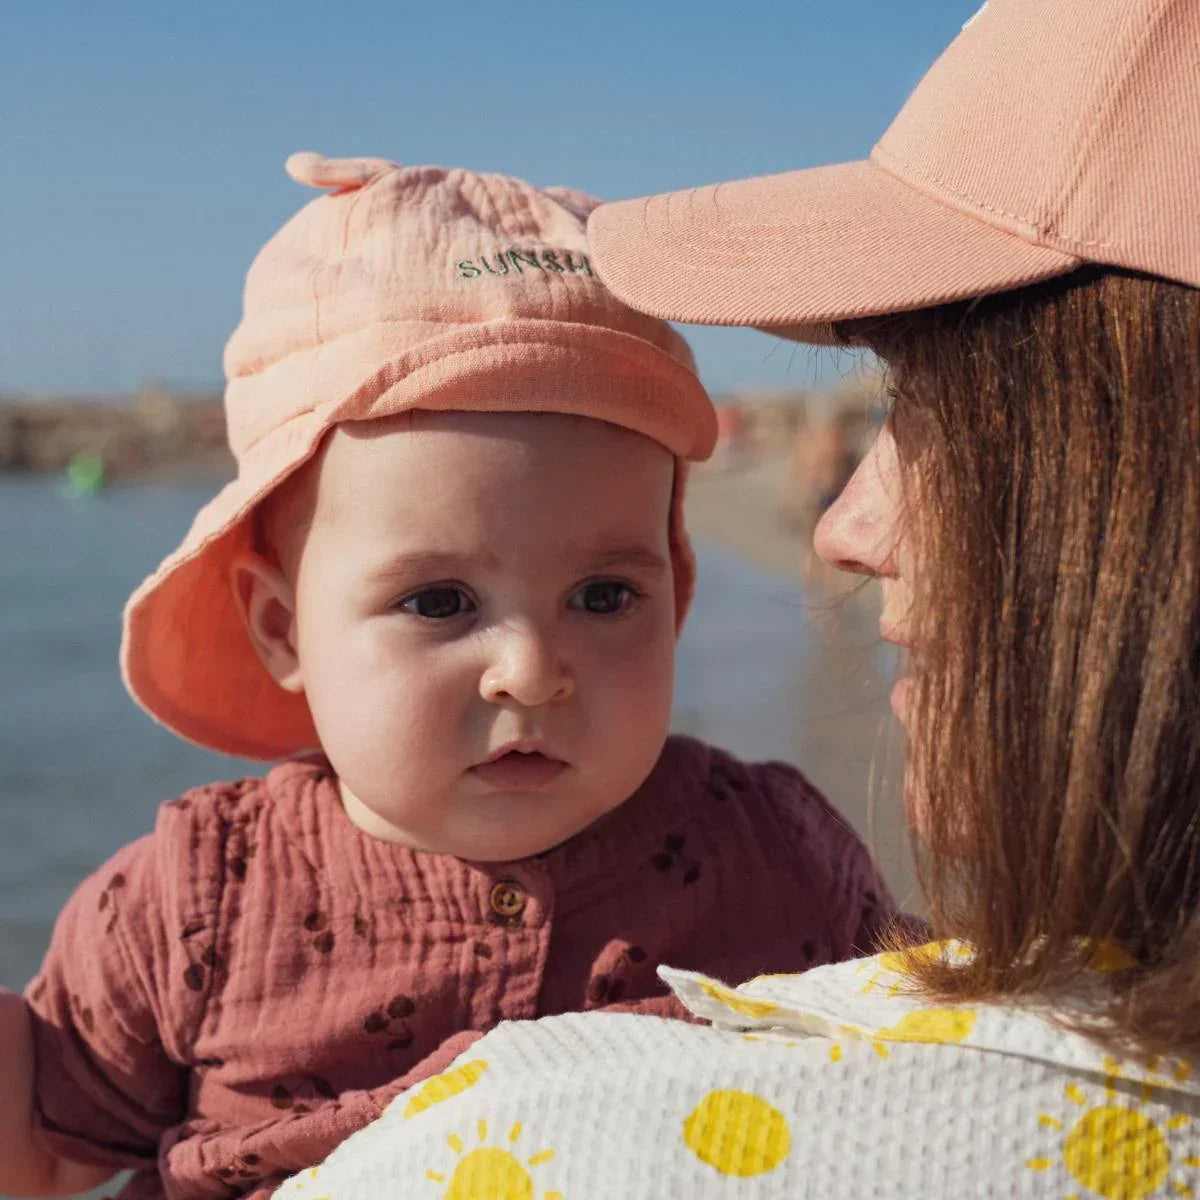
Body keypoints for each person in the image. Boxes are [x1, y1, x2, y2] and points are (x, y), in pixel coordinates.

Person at [268, 0, 1200, 1196]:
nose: (845, 530)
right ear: (274, 622)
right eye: (438, 599)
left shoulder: (524, 1143)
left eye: (938, 409)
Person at [0, 153, 894, 1200]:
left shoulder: (773, 852)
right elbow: (40, 1154)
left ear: (678, 593)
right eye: (439, 603)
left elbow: (938, 1067)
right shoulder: (195, 902)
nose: (530, 672)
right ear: (284, 628)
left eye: (605, 597)